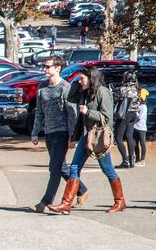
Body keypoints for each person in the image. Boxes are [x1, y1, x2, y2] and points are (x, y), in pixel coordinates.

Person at [51, 67, 126, 214]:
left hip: (99, 137)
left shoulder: (103, 92)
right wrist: (76, 84)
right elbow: (70, 98)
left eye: (82, 79)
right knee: (74, 168)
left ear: (91, 79)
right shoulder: (85, 92)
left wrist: (88, 112)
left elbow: (107, 118)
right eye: (79, 79)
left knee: (107, 169)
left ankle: (120, 201)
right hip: (86, 136)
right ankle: (66, 203)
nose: (79, 81)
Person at [30, 55, 77, 213]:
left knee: (54, 168)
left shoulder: (65, 87)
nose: (45, 69)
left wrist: (72, 136)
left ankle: (45, 202)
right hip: (49, 132)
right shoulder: (42, 87)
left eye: (48, 66)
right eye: (45, 66)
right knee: (61, 167)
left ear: (58, 68)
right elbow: (39, 112)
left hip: (62, 132)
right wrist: (35, 132)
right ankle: (82, 190)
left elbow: (72, 113)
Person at [114, 70, 140, 169]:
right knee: (129, 136)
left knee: (118, 138)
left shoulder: (122, 89)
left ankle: (125, 160)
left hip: (124, 114)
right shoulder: (137, 89)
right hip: (133, 114)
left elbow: (116, 99)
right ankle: (132, 159)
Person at [133, 89, 148, 167]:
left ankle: (142, 160)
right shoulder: (138, 105)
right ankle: (137, 159)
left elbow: (140, 117)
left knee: (142, 143)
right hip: (135, 127)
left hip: (141, 128)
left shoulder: (144, 107)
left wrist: (135, 112)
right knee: (135, 144)